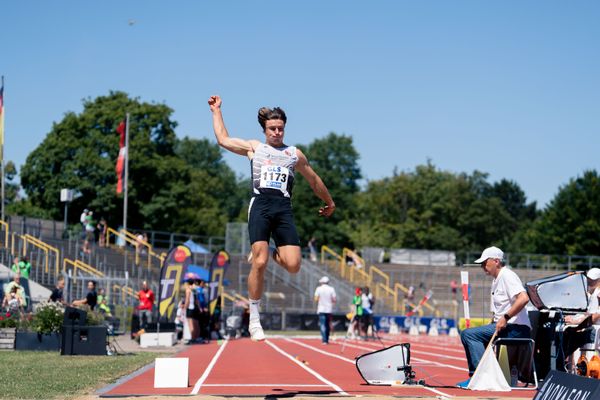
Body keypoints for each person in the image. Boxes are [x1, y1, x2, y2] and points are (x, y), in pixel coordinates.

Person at [208, 95, 336, 341]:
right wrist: (216, 111)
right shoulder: (255, 148)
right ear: (265, 129)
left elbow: (314, 180)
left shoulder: (293, 154)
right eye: (272, 128)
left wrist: (329, 202)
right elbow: (223, 140)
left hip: (283, 208)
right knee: (260, 263)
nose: (276, 132)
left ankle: (266, 250)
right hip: (261, 205)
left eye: (280, 128)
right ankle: (255, 319)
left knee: (294, 265)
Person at [457, 246, 531, 388]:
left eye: (485, 262)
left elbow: (523, 298)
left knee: (469, 335)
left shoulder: (507, 275)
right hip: (508, 327)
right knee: (477, 336)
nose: (482, 266)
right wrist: (496, 321)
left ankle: (478, 378)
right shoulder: (496, 280)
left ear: (496, 261)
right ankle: (486, 377)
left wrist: (505, 317)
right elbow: (498, 312)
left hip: (516, 328)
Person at [314, 276, 337, 344]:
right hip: (329, 309)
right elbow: (334, 299)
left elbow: (316, 299)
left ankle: (324, 340)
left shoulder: (319, 289)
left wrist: (321, 300)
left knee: (322, 324)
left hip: (321, 309)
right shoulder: (331, 289)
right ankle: (326, 339)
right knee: (327, 324)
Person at [184, 277, 200, 344]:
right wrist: (198, 307)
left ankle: (192, 339)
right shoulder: (195, 290)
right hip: (195, 308)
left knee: (191, 325)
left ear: (187, 283)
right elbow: (197, 301)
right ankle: (196, 337)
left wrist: (185, 307)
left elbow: (187, 299)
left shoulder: (188, 290)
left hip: (190, 308)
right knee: (196, 324)